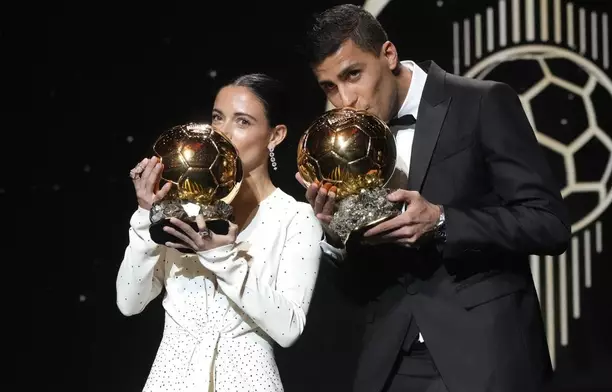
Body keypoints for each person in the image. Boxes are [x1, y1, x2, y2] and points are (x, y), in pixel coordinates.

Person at [297, 4, 571, 392]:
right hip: (391, 360)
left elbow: (549, 224)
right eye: (329, 87)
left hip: (485, 354)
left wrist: (443, 221)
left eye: (353, 75)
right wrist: (336, 234)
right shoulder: (340, 146)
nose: (345, 100)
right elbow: (356, 285)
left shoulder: (482, 102)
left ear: (388, 55)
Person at [116, 73, 323, 392]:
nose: (222, 133)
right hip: (171, 380)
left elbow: (288, 328)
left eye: (242, 122)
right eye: (217, 118)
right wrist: (146, 215)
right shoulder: (181, 204)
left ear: (275, 135)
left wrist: (222, 257)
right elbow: (129, 303)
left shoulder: (294, 217)